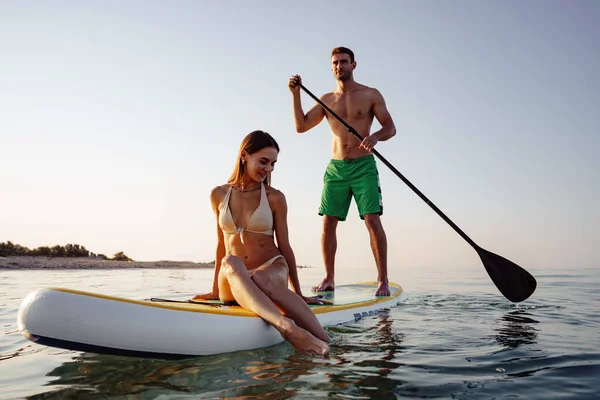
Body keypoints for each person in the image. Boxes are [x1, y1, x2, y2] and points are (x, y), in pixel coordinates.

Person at [192, 130, 330, 357]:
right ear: (244, 156)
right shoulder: (218, 194)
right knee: (230, 260)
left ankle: (327, 343)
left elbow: (285, 246)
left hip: (271, 269)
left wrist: (298, 292)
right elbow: (220, 244)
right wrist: (215, 290)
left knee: (260, 277)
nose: (269, 169)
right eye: (263, 161)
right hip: (235, 276)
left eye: (273, 164)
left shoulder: (275, 197)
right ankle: (287, 328)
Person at [288, 46, 397, 297]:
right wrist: (295, 95)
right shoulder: (326, 100)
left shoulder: (370, 94)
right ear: (331, 67)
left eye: (344, 62)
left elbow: (390, 127)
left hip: (364, 167)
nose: (340, 66)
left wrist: (376, 137)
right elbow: (301, 126)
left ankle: (383, 279)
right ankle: (329, 278)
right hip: (336, 168)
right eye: (335, 63)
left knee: (372, 220)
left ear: (354, 65)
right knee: (328, 223)